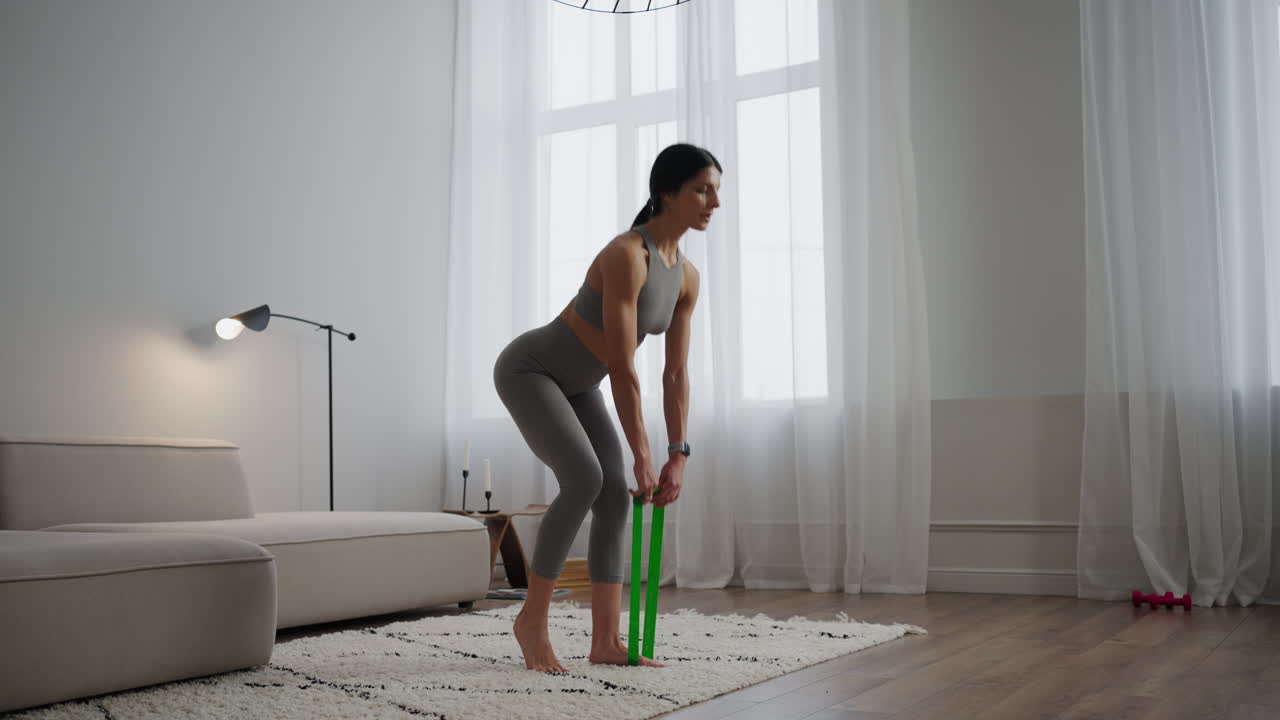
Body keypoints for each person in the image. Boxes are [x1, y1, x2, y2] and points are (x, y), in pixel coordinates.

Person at [492, 143, 722, 673]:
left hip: (580, 384)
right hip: (530, 370)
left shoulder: (686, 277)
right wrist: (642, 456)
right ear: (668, 193)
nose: (714, 202)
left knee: (615, 499)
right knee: (584, 479)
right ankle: (531, 621)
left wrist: (677, 454)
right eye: (702, 190)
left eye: (716, 191)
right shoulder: (626, 255)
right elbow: (622, 366)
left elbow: (675, 374)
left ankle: (606, 642)